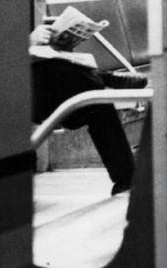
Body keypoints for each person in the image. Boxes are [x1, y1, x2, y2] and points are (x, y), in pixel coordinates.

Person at [29, 21, 138, 196]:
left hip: (43, 90)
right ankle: (105, 78)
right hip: (19, 94)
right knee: (70, 75)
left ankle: (127, 178)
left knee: (96, 96)